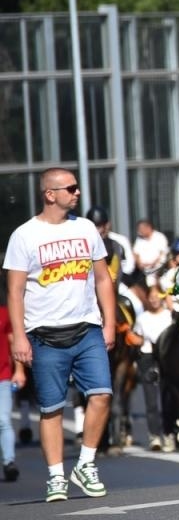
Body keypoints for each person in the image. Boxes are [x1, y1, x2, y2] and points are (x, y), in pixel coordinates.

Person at [4, 168, 117, 502]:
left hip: (87, 329)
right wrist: (20, 337)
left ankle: (85, 463)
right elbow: (15, 292)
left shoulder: (84, 229)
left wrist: (109, 323)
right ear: (50, 194)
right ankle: (56, 477)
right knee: (51, 409)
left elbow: (102, 279)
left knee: (102, 395)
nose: (77, 192)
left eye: (77, 187)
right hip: (44, 334)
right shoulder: (24, 236)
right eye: (71, 188)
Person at [130, 284, 173, 450]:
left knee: (168, 398)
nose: (154, 299)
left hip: (167, 358)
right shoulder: (142, 318)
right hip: (147, 358)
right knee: (151, 400)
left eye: (157, 296)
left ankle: (169, 434)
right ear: (147, 298)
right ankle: (154, 436)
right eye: (151, 296)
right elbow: (137, 336)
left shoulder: (169, 316)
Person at [0, 303, 21, 481]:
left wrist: (19, 370)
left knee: (3, 420)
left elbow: (14, 339)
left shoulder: (5, 311)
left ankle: (9, 462)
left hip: (3, 376)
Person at [131, 218, 170, 296]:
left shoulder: (159, 237)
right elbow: (135, 253)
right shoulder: (139, 239)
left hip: (158, 268)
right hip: (142, 270)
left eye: (141, 229)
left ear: (148, 227)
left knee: (153, 280)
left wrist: (152, 264)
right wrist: (140, 264)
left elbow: (163, 253)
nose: (139, 231)